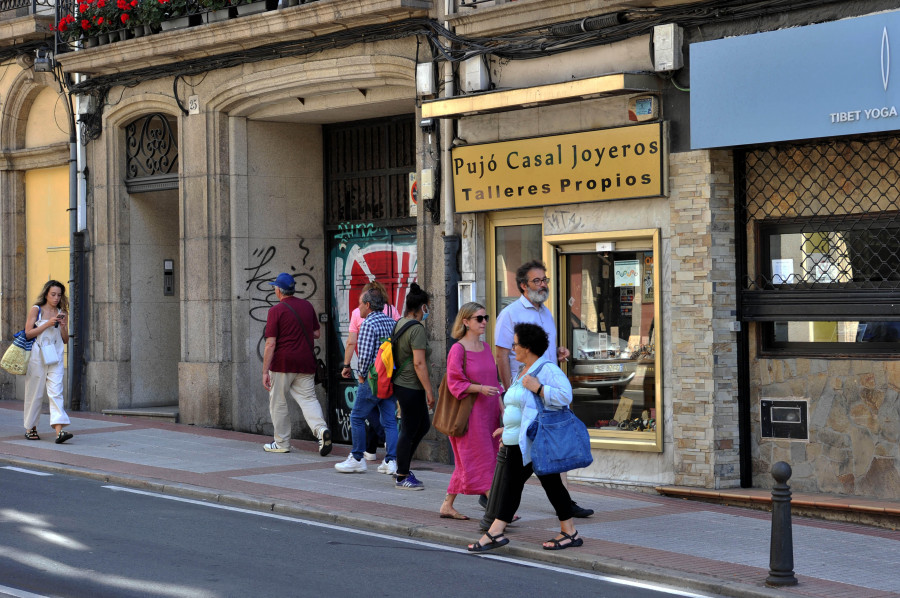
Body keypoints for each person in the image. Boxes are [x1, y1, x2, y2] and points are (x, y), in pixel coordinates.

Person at [468, 323, 583, 552]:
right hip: (518, 438)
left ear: (528, 347)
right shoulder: (523, 369)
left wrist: (540, 388)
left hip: (535, 440)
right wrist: (508, 428)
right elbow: (521, 406)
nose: (512, 348)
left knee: (531, 485)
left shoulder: (546, 369)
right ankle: (566, 531)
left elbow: (565, 395)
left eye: (516, 344)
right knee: (518, 485)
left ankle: (497, 532)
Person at [492, 260, 593, 519]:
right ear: (523, 286)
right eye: (537, 281)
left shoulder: (546, 313)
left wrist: (557, 353)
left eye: (545, 279)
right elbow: (502, 355)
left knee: (546, 452)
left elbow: (542, 352)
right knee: (523, 459)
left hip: (544, 390)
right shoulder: (510, 314)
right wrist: (507, 393)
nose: (543, 284)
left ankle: (499, 516)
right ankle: (496, 512)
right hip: (524, 392)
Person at [440, 302, 503, 520]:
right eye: (479, 318)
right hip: (470, 415)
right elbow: (454, 382)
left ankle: (447, 505)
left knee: (472, 460)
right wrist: (480, 388)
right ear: (466, 322)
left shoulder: (486, 349)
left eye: (486, 317)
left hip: (490, 414)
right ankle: (498, 510)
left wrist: (502, 407)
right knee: (480, 458)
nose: (484, 322)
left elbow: (495, 382)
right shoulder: (458, 349)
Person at [262, 272, 332, 456]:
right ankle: (321, 430)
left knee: (278, 401)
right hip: (306, 362)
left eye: (275, 287)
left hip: (282, 363)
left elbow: (270, 343)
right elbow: (317, 334)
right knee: (308, 399)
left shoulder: (276, 311)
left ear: (279, 290)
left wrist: (264, 371)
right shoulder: (307, 306)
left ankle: (282, 442)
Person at [335, 288, 399, 475]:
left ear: (368, 305)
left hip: (372, 379)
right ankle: (391, 460)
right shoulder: (391, 322)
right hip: (389, 378)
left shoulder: (368, 324)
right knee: (389, 420)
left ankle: (357, 458)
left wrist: (361, 374)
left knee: (356, 417)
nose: (359, 307)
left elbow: (364, 355)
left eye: (360, 303)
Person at [392, 282, 434, 490]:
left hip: (402, 384)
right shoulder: (416, 329)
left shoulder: (400, 322)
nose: (428, 311)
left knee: (422, 425)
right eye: (427, 307)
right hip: (411, 386)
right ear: (421, 308)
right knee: (409, 429)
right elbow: (419, 363)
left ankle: (403, 464)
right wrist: (429, 390)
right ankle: (402, 474)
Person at [23, 280, 72, 444]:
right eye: (53, 294)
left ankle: (60, 431)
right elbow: (28, 333)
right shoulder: (36, 310)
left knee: (56, 392)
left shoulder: (62, 312)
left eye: (59, 295)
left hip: (56, 356)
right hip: (38, 355)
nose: (56, 298)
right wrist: (48, 324)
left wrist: (63, 326)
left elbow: (65, 340)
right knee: (35, 393)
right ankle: (31, 428)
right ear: (46, 294)